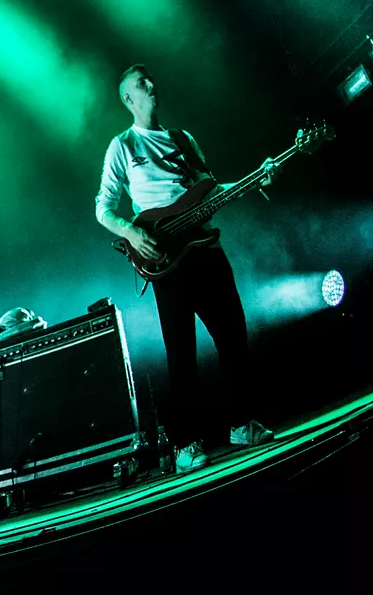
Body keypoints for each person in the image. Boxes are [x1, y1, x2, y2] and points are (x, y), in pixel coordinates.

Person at [95, 65, 273, 472]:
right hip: (165, 257)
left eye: (150, 79)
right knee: (181, 354)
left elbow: (210, 189)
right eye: (141, 84)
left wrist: (257, 178)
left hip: (206, 248)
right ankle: (185, 444)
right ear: (128, 99)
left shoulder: (182, 139)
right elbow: (103, 207)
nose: (151, 85)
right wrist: (132, 232)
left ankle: (241, 424)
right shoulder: (122, 145)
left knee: (233, 336)